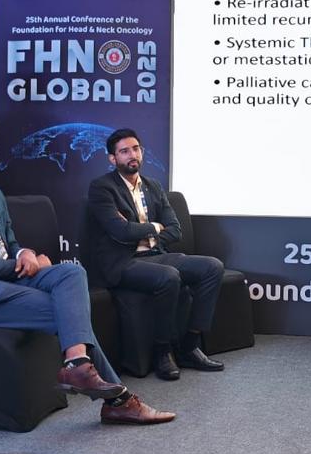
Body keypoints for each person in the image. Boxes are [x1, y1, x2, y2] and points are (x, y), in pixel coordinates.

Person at [0, 114, 173, 425]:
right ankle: (118, 400)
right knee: (66, 310)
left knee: (71, 274)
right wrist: (25, 264)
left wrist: (24, 252)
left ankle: (78, 364)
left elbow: (8, 240)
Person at [82, 128, 225, 380]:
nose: (132, 155)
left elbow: (175, 230)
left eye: (135, 149)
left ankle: (190, 345)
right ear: (113, 158)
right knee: (168, 276)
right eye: (124, 151)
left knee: (212, 267)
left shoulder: (154, 186)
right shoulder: (102, 188)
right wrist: (155, 227)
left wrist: (140, 231)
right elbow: (119, 231)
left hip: (156, 255)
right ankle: (163, 351)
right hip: (122, 262)